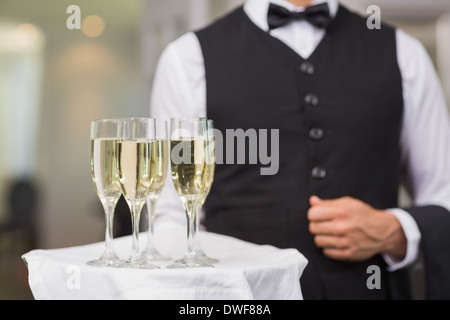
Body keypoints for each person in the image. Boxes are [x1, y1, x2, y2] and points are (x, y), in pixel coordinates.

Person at [150, 0, 450, 300]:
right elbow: (172, 216)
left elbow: (443, 198)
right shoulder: (187, 59)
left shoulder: (403, 53)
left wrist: (395, 230)